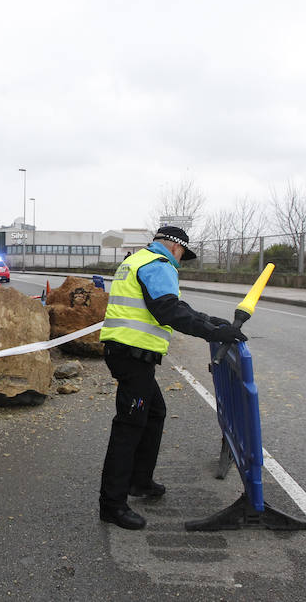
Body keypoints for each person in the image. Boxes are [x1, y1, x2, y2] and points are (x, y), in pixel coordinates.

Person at [97, 226, 247, 530]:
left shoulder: (137, 260)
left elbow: (174, 307)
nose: (180, 261)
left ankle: (140, 481)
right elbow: (169, 311)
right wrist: (214, 332)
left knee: (155, 413)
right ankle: (111, 504)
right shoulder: (159, 265)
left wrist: (210, 321)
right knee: (128, 426)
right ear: (175, 248)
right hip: (133, 356)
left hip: (126, 353)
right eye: (182, 255)